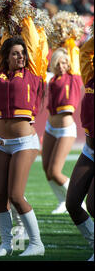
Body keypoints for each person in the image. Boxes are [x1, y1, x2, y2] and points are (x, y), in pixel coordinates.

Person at [0, 15, 47, 257]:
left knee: (16, 195)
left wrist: (23, 16)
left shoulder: (34, 74)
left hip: (24, 142)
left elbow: (32, 43)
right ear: (7, 57)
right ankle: (5, 243)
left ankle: (36, 243)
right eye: (15, 53)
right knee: (0, 194)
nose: (20, 56)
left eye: (22, 53)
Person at [42, 43, 83, 214]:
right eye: (58, 63)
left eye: (64, 63)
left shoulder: (74, 77)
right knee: (46, 169)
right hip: (50, 126)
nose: (61, 66)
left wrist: (70, 40)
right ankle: (62, 202)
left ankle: (78, 201)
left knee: (55, 171)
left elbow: (74, 53)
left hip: (66, 129)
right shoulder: (52, 80)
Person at [66, 35, 94, 261]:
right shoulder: (90, 78)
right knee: (73, 203)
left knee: (93, 205)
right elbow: (85, 52)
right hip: (89, 151)